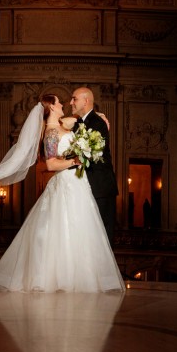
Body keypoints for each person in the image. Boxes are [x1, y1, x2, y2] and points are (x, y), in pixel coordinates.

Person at [0, 95, 124, 293]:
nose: (64, 104)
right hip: (66, 181)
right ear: (51, 107)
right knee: (62, 230)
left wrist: (99, 116)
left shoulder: (63, 123)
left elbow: (80, 119)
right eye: (59, 102)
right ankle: (60, 279)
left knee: (83, 230)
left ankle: (82, 278)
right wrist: (75, 161)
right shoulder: (51, 132)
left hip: (79, 183)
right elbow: (51, 164)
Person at [69, 86, 118, 243]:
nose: (70, 102)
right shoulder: (76, 124)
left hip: (100, 188)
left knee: (102, 239)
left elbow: (90, 154)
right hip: (83, 188)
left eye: (74, 99)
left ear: (86, 101)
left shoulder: (99, 123)